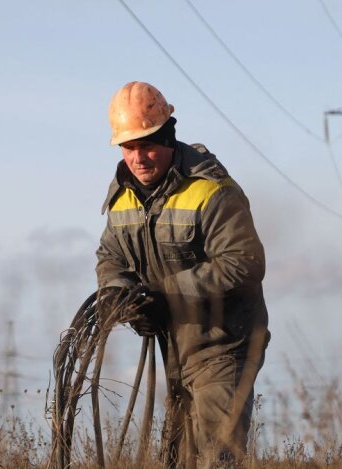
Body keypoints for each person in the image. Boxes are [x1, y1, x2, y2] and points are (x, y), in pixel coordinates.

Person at [95, 81, 270, 468]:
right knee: (180, 460)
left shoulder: (212, 190)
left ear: (168, 137)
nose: (138, 158)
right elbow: (111, 257)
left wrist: (164, 296)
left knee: (217, 456)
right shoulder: (122, 196)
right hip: (174, 347)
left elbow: (244, 261)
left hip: (225, 345)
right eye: (129, 147)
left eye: (147, 145)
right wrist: (119, 294)